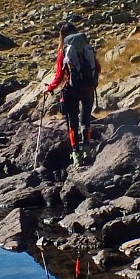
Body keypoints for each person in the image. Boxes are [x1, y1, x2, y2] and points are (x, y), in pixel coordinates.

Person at [44, 17, 100, 167]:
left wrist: (49, 88)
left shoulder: (64, 51)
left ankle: (76, 154)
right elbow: (98, 67)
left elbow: (59, 76)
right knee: (86, 119)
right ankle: (87, 148)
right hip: (88, 88)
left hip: (72, 90)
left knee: (73, 123)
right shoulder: (87, 47)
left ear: (62, 35)